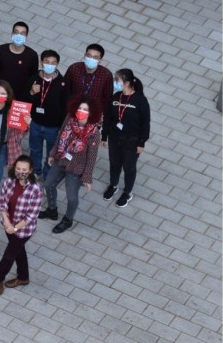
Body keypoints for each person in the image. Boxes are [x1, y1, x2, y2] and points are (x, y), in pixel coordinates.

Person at [43, 100, 103, 233]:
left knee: (72, 196)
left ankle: (68, 220)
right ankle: (52, 210)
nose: (82, 111)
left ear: (91, 113)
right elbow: (60, 135)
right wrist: (53, 153)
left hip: (77, 167)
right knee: (48, 184)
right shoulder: (70, 118)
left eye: (85, 110)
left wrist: (87, 178)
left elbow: (91, 157)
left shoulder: (94, 133)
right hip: (61, 158)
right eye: (80, 108)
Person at [0, 156, 45, 295]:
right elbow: (2, 203)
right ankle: (23, 277)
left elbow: (31, 215)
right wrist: (8, 223)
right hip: (8, 225)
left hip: (23, 230)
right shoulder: (8, 182)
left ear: (30, 171)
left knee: (9, 254)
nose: (20, 172)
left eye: (24, 170)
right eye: (18, 169)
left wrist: (15, 228)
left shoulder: (35, 189)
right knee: (18, 251)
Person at [102, 72, 152, 209]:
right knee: (114, 164)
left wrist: (141, 142)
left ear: (127, 82)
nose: (115, 82)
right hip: (114, 138)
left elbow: (145, 123)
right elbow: (107, 117)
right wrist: (104, 136)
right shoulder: (115, 97)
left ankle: (128, 192)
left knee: (129, 167)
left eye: (117, 80)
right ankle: (113, 185)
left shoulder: (140, 100)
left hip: (132, 141)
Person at [24, 50, 71, 170]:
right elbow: (24, 100)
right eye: (47, 62)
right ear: (41, 62)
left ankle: (47, 174)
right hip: (35, 123)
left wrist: (62, 128)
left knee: (52, 154)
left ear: (57, 65)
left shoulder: (63, 83)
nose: (49, 65)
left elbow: (65, 107)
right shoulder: (33, 79)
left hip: (53, 128)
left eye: (53, 63)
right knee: (34, 150)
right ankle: (35, 171)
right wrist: (31, 92)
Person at [62, 43, 114, 122]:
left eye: (95, 57)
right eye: (89, 55)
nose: (91, 59)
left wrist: (103, 115)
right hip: (72, 111)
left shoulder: (106, 75)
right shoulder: (74, 68)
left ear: (100, 60)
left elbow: (108, 98)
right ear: (85, 56)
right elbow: (65, 89)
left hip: (92, 115)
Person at [0, 21, 39, 96]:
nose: (19, 35)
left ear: (26, 36)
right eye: (16, 32)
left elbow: (32, 76)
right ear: (12, 34)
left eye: (22, 33)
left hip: (21, 94)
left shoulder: (32, 55)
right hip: (3, 92)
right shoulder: (1, 50)